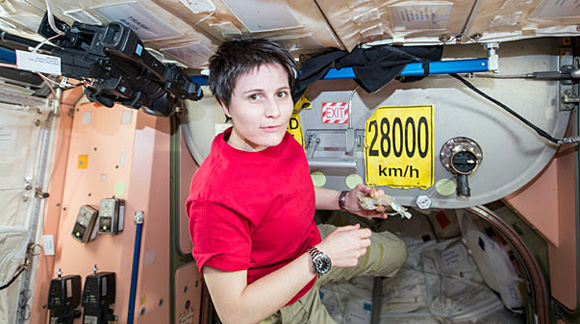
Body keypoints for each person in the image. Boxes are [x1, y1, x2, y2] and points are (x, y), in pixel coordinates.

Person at [186, 38, 407, 324]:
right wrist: (320, 257)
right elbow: (234, 314)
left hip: (308, 244)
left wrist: (344, 200)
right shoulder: (213, 199)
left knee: (398, 253)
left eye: (280, 94)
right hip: (278, 303)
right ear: (226, 104)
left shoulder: (275, 138)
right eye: (255, 97)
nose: (275, 112)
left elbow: (292, 193)